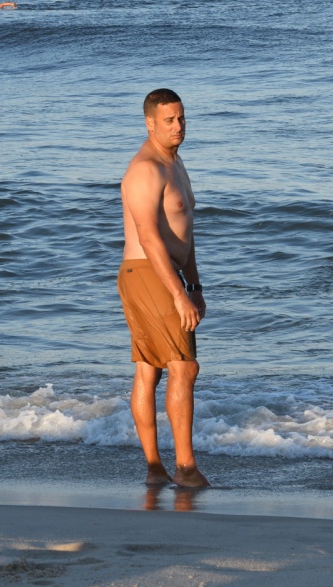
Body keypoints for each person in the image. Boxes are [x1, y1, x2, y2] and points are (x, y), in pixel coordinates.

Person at [117, 88, 209, 488]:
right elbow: (150, 237)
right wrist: (178, 294)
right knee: (183, 366)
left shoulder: (175, 162)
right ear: (149, 123)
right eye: (169, 120)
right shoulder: (146, 169)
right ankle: (185, 470)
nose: (178, 126)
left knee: (149, 368)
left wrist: (195, 284)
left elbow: (183, 233)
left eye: (182, 118)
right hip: (147, 271)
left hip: (164, 271)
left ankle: (155, 471)